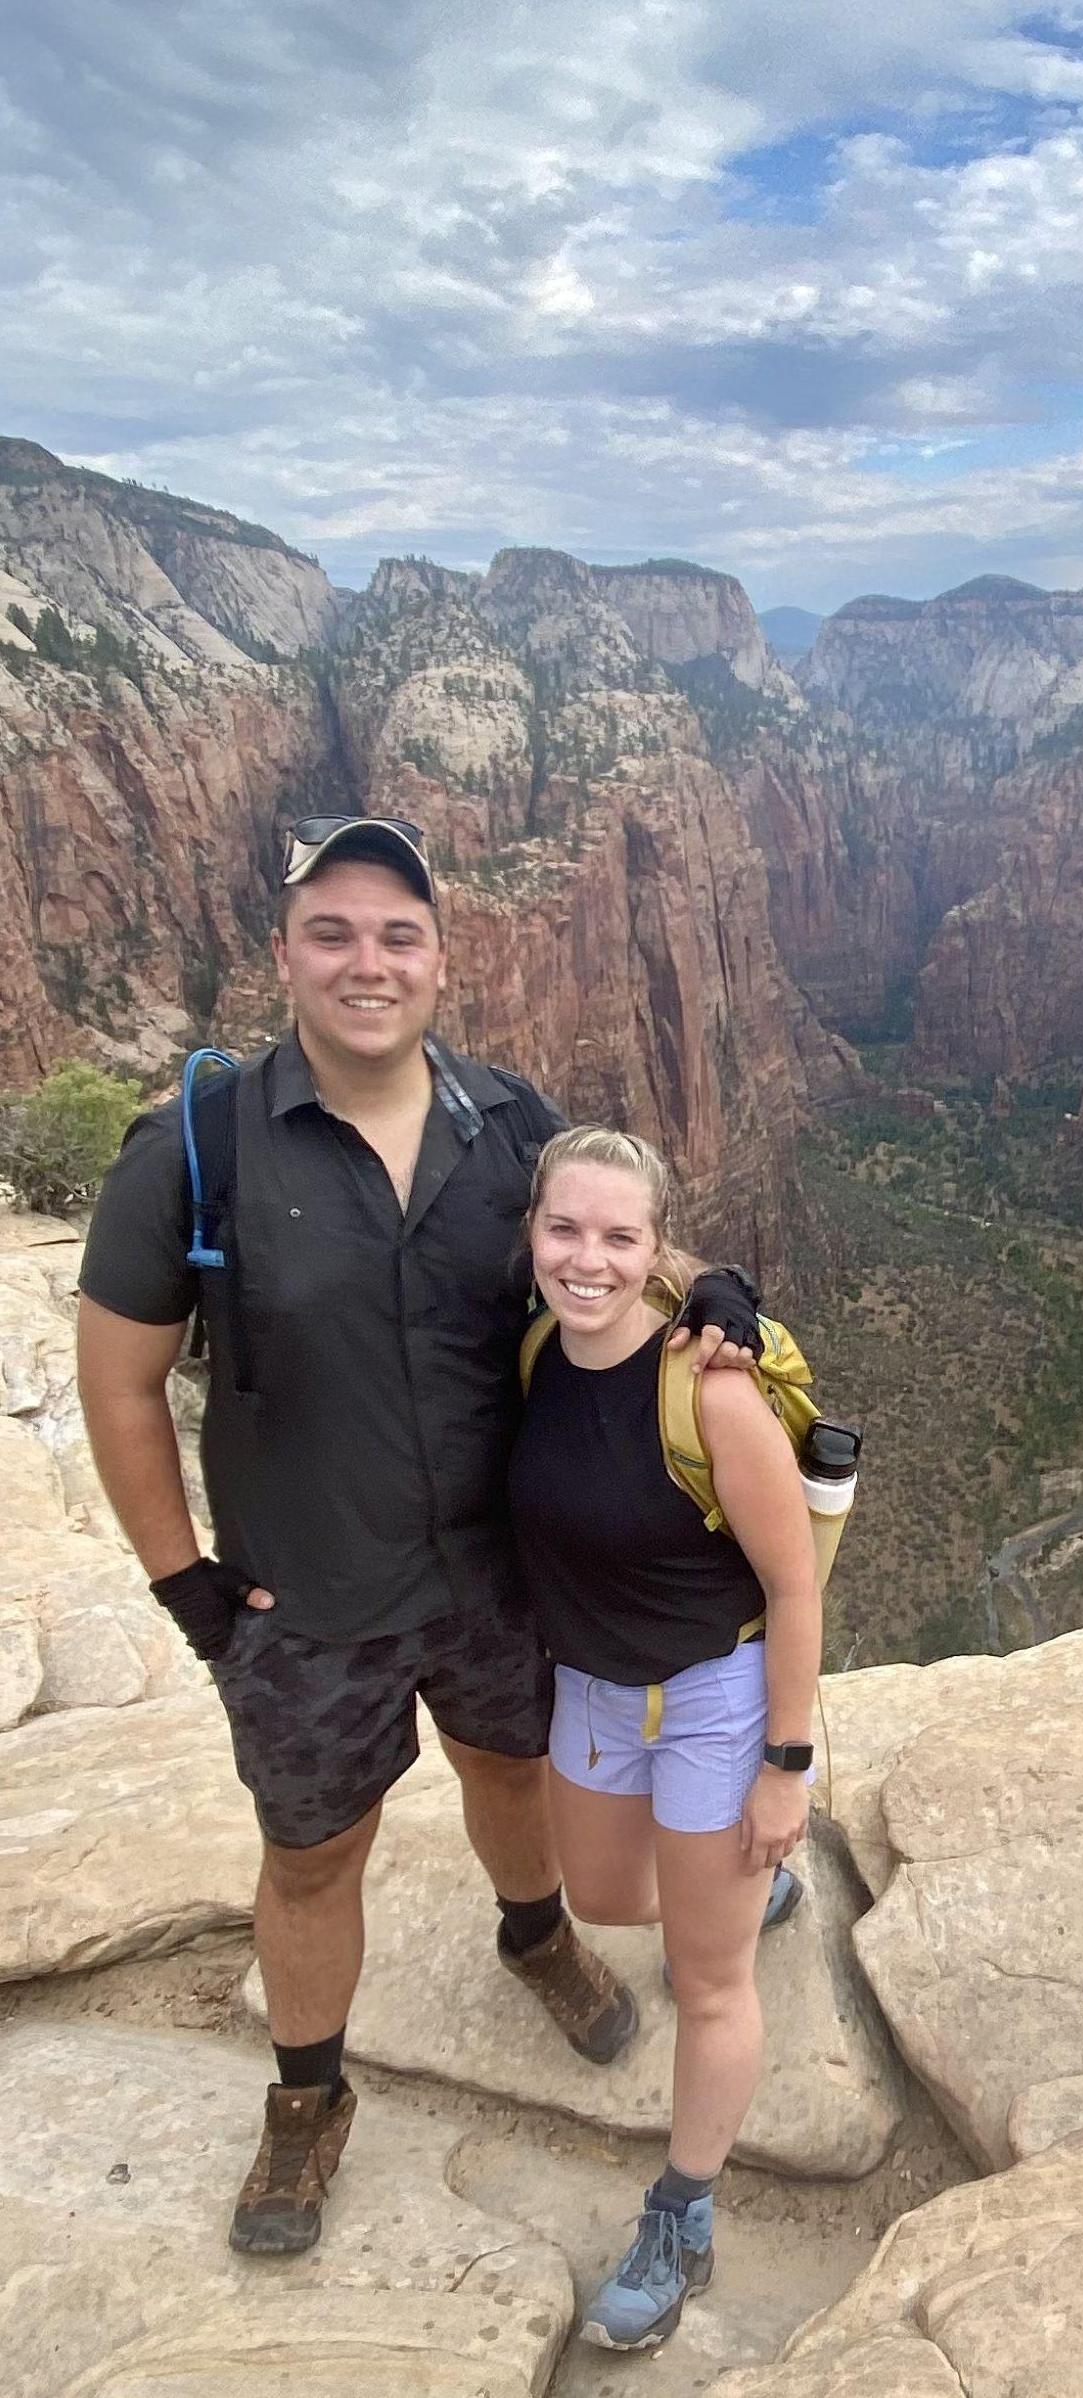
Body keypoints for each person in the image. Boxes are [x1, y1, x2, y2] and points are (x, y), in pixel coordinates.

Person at [73, 813, 765, 2257]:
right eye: (332, 931)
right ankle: (308, 2099)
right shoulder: (190, 1147)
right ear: (283, 953)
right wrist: (187, 1588)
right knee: (313, 1854)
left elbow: (609, 1247)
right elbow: (121, 1385)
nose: (365, 962)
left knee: (509, 1768)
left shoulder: (509, 1125)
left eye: (398, 934)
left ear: (443, 960)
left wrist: (722, 1298)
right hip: (308, 1594)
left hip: (503, 1579)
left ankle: (534, 1935)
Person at [510, 1124, 821, 2354]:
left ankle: (681, 2214)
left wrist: (783, 1763)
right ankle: (751, 1891)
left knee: (707, 1980)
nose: (587, 1258)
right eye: (564, 1228)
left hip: (710, 1695)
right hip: (590, 1690)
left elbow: (794, 1586)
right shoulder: (535, 1350)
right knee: (598, 1894)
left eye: (618, 1235)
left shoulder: (711, 1389)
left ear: (657, 1253)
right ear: (531, 1233)